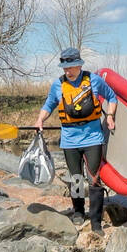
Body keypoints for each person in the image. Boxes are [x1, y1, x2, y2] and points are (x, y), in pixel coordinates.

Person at [34, 48, 118, 235]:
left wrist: (110, 115)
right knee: (76, 178)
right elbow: (48, 105)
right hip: (69, 140)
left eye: (70, 67)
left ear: (79, 65)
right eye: (64, 68)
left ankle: (96, 222)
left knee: (94, 180)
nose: (67, 71)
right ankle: (79, 212)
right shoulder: (58, 85)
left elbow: (112, 97)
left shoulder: (94, 81)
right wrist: (41, 119)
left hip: (93, 138)